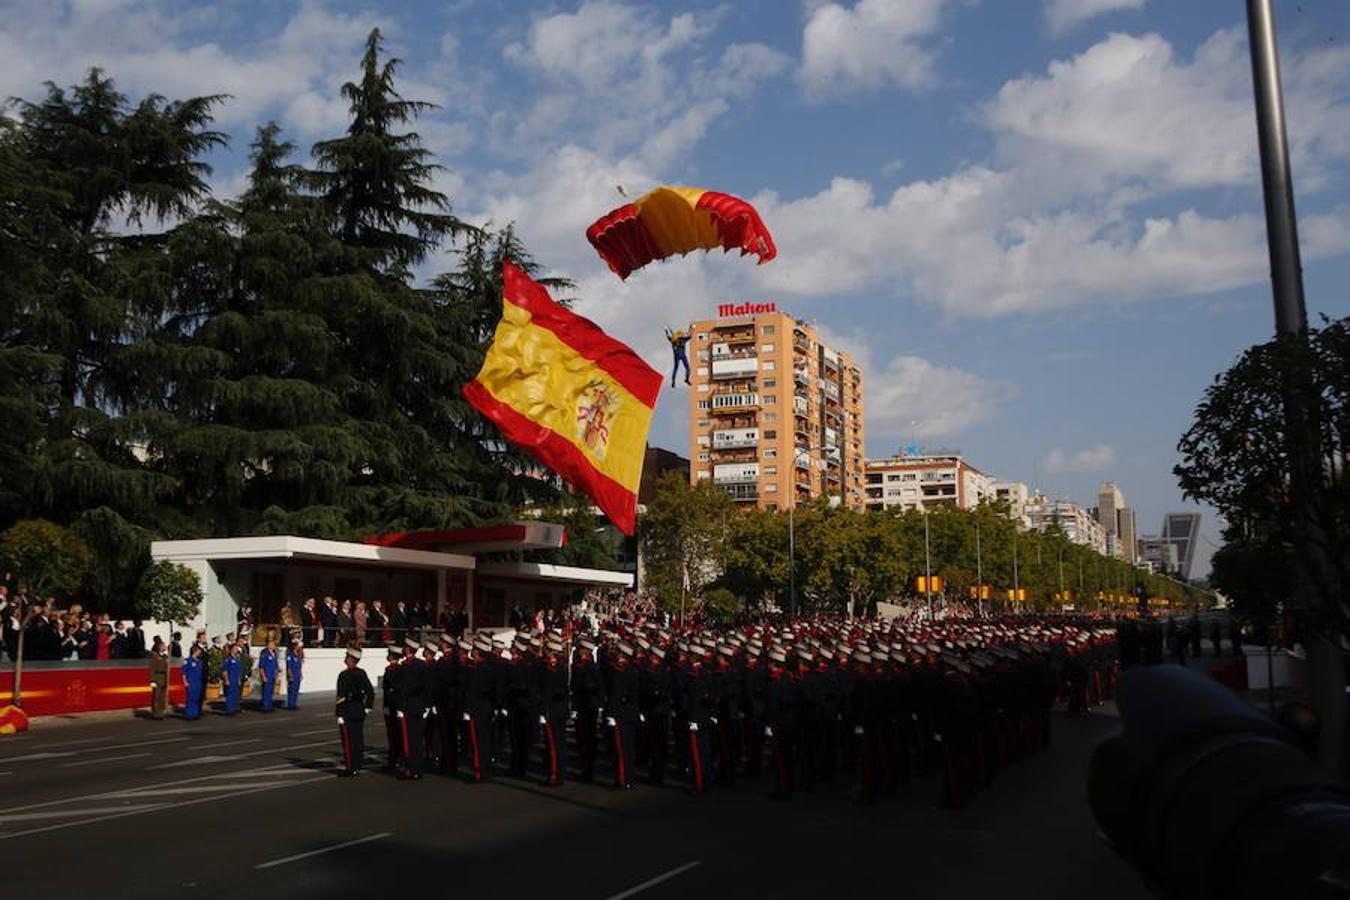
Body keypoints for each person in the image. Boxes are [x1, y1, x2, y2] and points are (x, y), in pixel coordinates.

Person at [335, 647, 375, 777]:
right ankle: (358, 764)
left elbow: (340, 696)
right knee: (358, 739)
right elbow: (370, 691)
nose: (345, 659)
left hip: (347, 710)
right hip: (359, 710)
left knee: (348, 740)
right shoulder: (361, 673)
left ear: (351, 659)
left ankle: (350, 767)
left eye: (347, 657)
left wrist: (339, 713)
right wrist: (367, 706)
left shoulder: (344, 675)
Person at [182, 644, 205, 720]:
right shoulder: (187, 661)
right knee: (190, 698)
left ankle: (195, 714)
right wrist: (185, 682)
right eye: (199, 651)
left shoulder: (199, 661)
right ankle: (189, 714)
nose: (200, 653)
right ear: (195, 651)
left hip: (198, 682)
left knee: (196, 698)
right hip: (191, 682)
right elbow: (184, 673)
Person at [149, 637, 170, 720]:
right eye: (163, 646)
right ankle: (155, 713)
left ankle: (161, 712)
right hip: (157, 677)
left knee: (162, 696)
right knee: (156, 696)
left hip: (164, 678)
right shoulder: (155, 656)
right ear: (159, 647)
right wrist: (152, 680)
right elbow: (152, 668)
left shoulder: (165, 657)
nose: (165, 647)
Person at [257, 638, 279, 713]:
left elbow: (276, 667)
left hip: (272, 676)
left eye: (274, 644)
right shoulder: (264, 654)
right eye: (272, 644)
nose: (273, 645)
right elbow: (261, 667)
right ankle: (265, 707)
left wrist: (276, 677)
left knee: (270, 692)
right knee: (266, 692)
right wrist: (263, 677)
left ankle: (269, 706)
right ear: (268, 645)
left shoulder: (274, 654)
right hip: (267, 676)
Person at [222, 642, 243, 716]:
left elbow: (238, 671)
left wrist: (239, 679)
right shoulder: (228, 659)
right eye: (234, 648)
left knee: (235, 695)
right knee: (230, 695)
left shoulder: (237, 659)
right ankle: (229, 710)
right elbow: (225, 671)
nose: (236, 649)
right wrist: (227, 680)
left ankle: (233, 709)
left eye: (236, 648)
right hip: (230, 679)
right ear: (231, 650)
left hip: (236, 679)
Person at [285, 635, 304, 710]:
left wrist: (301, 674)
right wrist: (290, 676)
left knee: (296, 690)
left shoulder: (298, 656)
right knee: (291, 690)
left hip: (297, 675)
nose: (298, 648)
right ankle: (290, 704)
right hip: (293, 675)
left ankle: (294, 703)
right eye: (297, 647)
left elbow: (299, 667)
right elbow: (289, 667)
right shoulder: (290, 656)